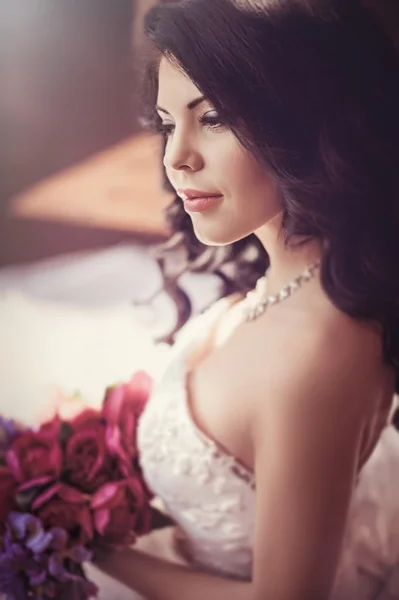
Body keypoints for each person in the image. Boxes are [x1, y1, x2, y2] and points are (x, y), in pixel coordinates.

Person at [94, 0, 399, 598]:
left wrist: (96, 549)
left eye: (212, 118)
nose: (175, 155)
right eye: (166, 122)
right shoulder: (285, 286)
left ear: (303, 120)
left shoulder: (315, 350)